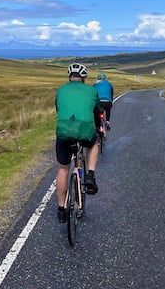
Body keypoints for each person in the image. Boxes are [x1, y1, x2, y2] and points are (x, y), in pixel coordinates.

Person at [54, 62, 101, 223]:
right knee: (94, 143)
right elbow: (97, 111)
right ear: (84, 78)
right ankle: (90, 175)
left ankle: (61, 208)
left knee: (62, 168)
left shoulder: (61, 89)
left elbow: (59, 110)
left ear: (69, 77)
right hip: (84, 129)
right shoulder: (92, 90)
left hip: (64, 130)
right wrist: (97, 125)